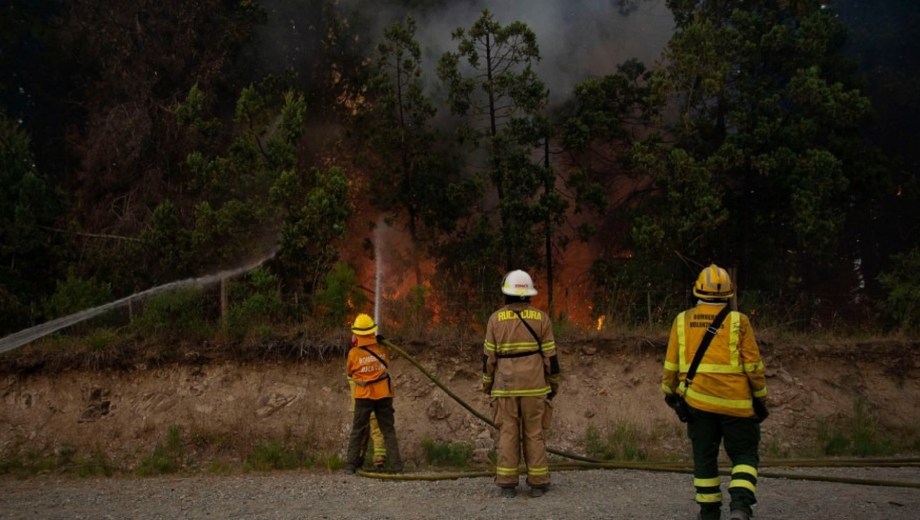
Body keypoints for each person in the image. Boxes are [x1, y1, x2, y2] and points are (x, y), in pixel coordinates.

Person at [661, 264, 768, 520]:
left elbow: (671, 365)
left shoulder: (682, 320)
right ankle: (741, 507)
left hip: (698, 404)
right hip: (737, 405)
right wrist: (760, 399)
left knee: (704, 457)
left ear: (696, 291)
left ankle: (709, 512)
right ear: (729, 293)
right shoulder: (739, 321)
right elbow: (753, 367)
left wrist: (670, 393)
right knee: (744, 454)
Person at [482, 269, 560, 498]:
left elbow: (488, 359)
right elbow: (551, 359)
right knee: (534, 433)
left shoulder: (495, 319)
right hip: (535, 388)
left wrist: (487, 385)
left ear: (506, 293)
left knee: (508, 433)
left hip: (505, 388)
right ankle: (538, 483)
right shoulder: (542, 319)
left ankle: (507, 483)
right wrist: (553, 384)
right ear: (529, 294)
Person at [344, 313, 402, 473]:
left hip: (364, 396)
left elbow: (350, 372)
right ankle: (397, 466)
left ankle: (351, 466)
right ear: (372, 331)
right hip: (384, 394)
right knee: (388, 430)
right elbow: (387, 363)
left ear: (357, 333)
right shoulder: (383, 349)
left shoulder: (354, 353)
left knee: (358, 430)